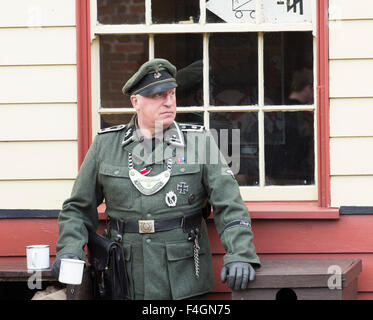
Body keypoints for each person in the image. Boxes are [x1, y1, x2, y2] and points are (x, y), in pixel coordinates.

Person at [52, 58, 261, 300]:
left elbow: (230, 205)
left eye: (171, 93)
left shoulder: (199, 142)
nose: (169, 102)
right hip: (123, 276)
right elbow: (78, 209)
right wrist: (70, 250)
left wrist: (240, 254)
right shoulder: (106, 145)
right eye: (158, 96)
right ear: (136, 101)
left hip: (184, 277)